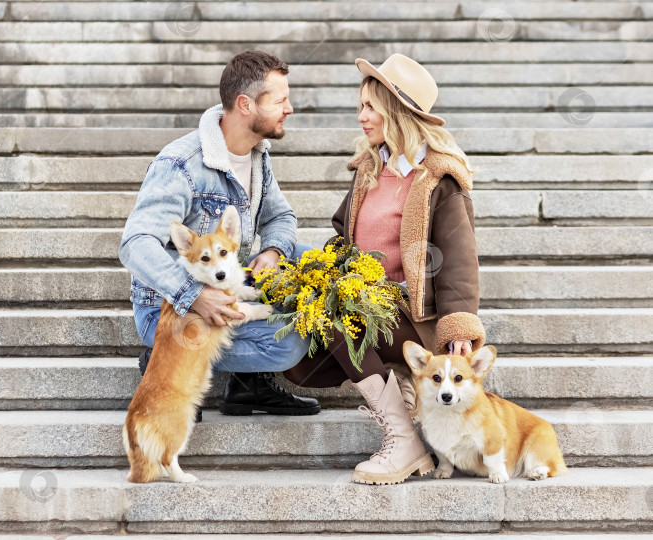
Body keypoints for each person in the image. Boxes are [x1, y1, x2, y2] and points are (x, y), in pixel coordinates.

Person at [284, 53, 486, 484]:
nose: (361, 117)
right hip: (368, 307)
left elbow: (459, 262)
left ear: (396, 112)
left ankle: (404, 440)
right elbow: (342, 234)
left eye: (370, 107)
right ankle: (400, 390)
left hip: (416, 320)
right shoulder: (371, 169)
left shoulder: (438, 180)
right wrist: (320, 272)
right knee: (308, 336)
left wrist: (458, 331)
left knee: (339, 318)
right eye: (360, 106)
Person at [119, 50, 321, 421]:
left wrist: (274, 250)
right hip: (168, 312)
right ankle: (164, 358)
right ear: (246, 104)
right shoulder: (181, 164)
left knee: (308, 257)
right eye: (280, 100)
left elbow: (281, 215)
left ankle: (247, 387)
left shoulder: (256, 154)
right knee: (289, 346)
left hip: (226, 283)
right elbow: (135, 243)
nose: (290, 108)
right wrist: (194, 294)